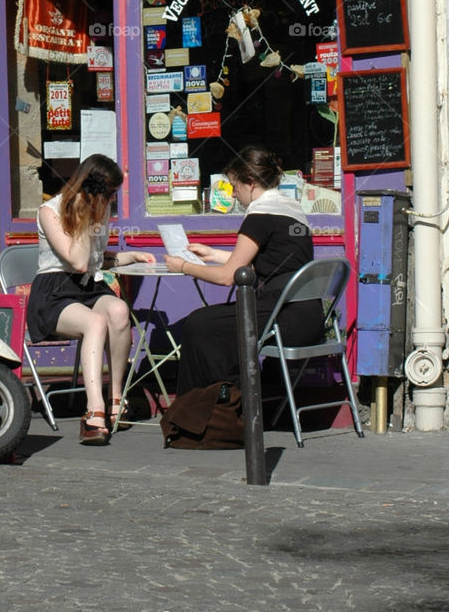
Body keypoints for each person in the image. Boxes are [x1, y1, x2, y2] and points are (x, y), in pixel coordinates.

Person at [165, 144, 324, 395]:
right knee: (219, 324)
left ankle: (222, 406)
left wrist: (184, 266)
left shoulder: (260, 216)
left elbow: (229, 277)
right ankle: (238, 400)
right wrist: (213, 254)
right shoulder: (291, 210)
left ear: (249, 183)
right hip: (308, 316)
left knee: (200, 324)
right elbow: (268, 260)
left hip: (283, 317)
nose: (233, 195)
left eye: (234, 186)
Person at [26, 154, 156, 445]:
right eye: (109, 194)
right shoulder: (50, 212)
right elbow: (77, 260)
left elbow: (94, 260)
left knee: (119, 311)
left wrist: (127, 257)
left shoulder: (101, 209)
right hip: (55, 290)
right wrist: (86, 215)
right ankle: (94, 410)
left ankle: (116, 399)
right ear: (92, 190)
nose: (111, 201)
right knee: (96, 322)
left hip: (87, 287)